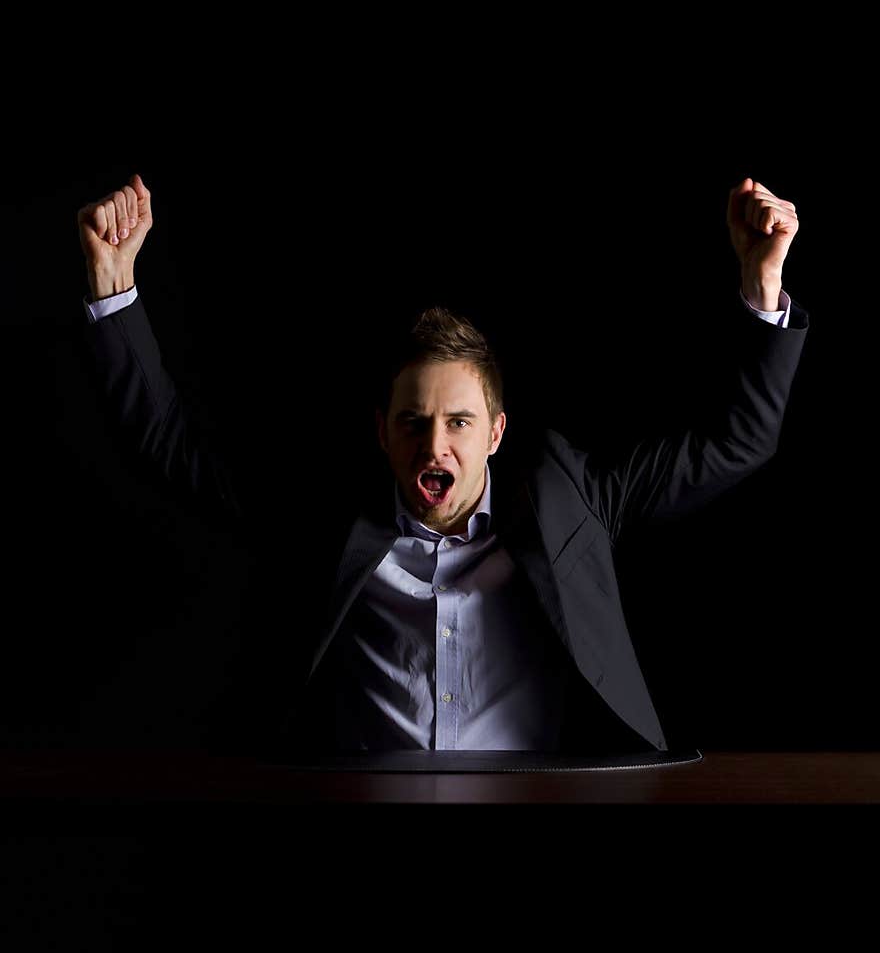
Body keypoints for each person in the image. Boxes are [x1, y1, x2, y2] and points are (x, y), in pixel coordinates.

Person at [75, 174, 808, 757]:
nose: (435, 447)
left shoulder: (570, 496)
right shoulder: (329, 514)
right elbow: (168, 447)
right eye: (413, 422)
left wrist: (762, 288)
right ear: (382, 432)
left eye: (458, 423)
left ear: (496, 432)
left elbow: (733, 443)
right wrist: (115, 287)